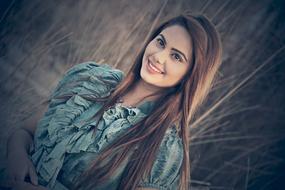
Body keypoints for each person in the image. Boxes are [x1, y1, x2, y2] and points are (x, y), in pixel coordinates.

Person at [2, 11, 222, 190]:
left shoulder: (164, 150)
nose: (158, 56)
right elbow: (24, 131)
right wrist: (17, 156)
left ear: (191, 74)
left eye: (176, 56)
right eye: (161, 42)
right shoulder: (91, 79)